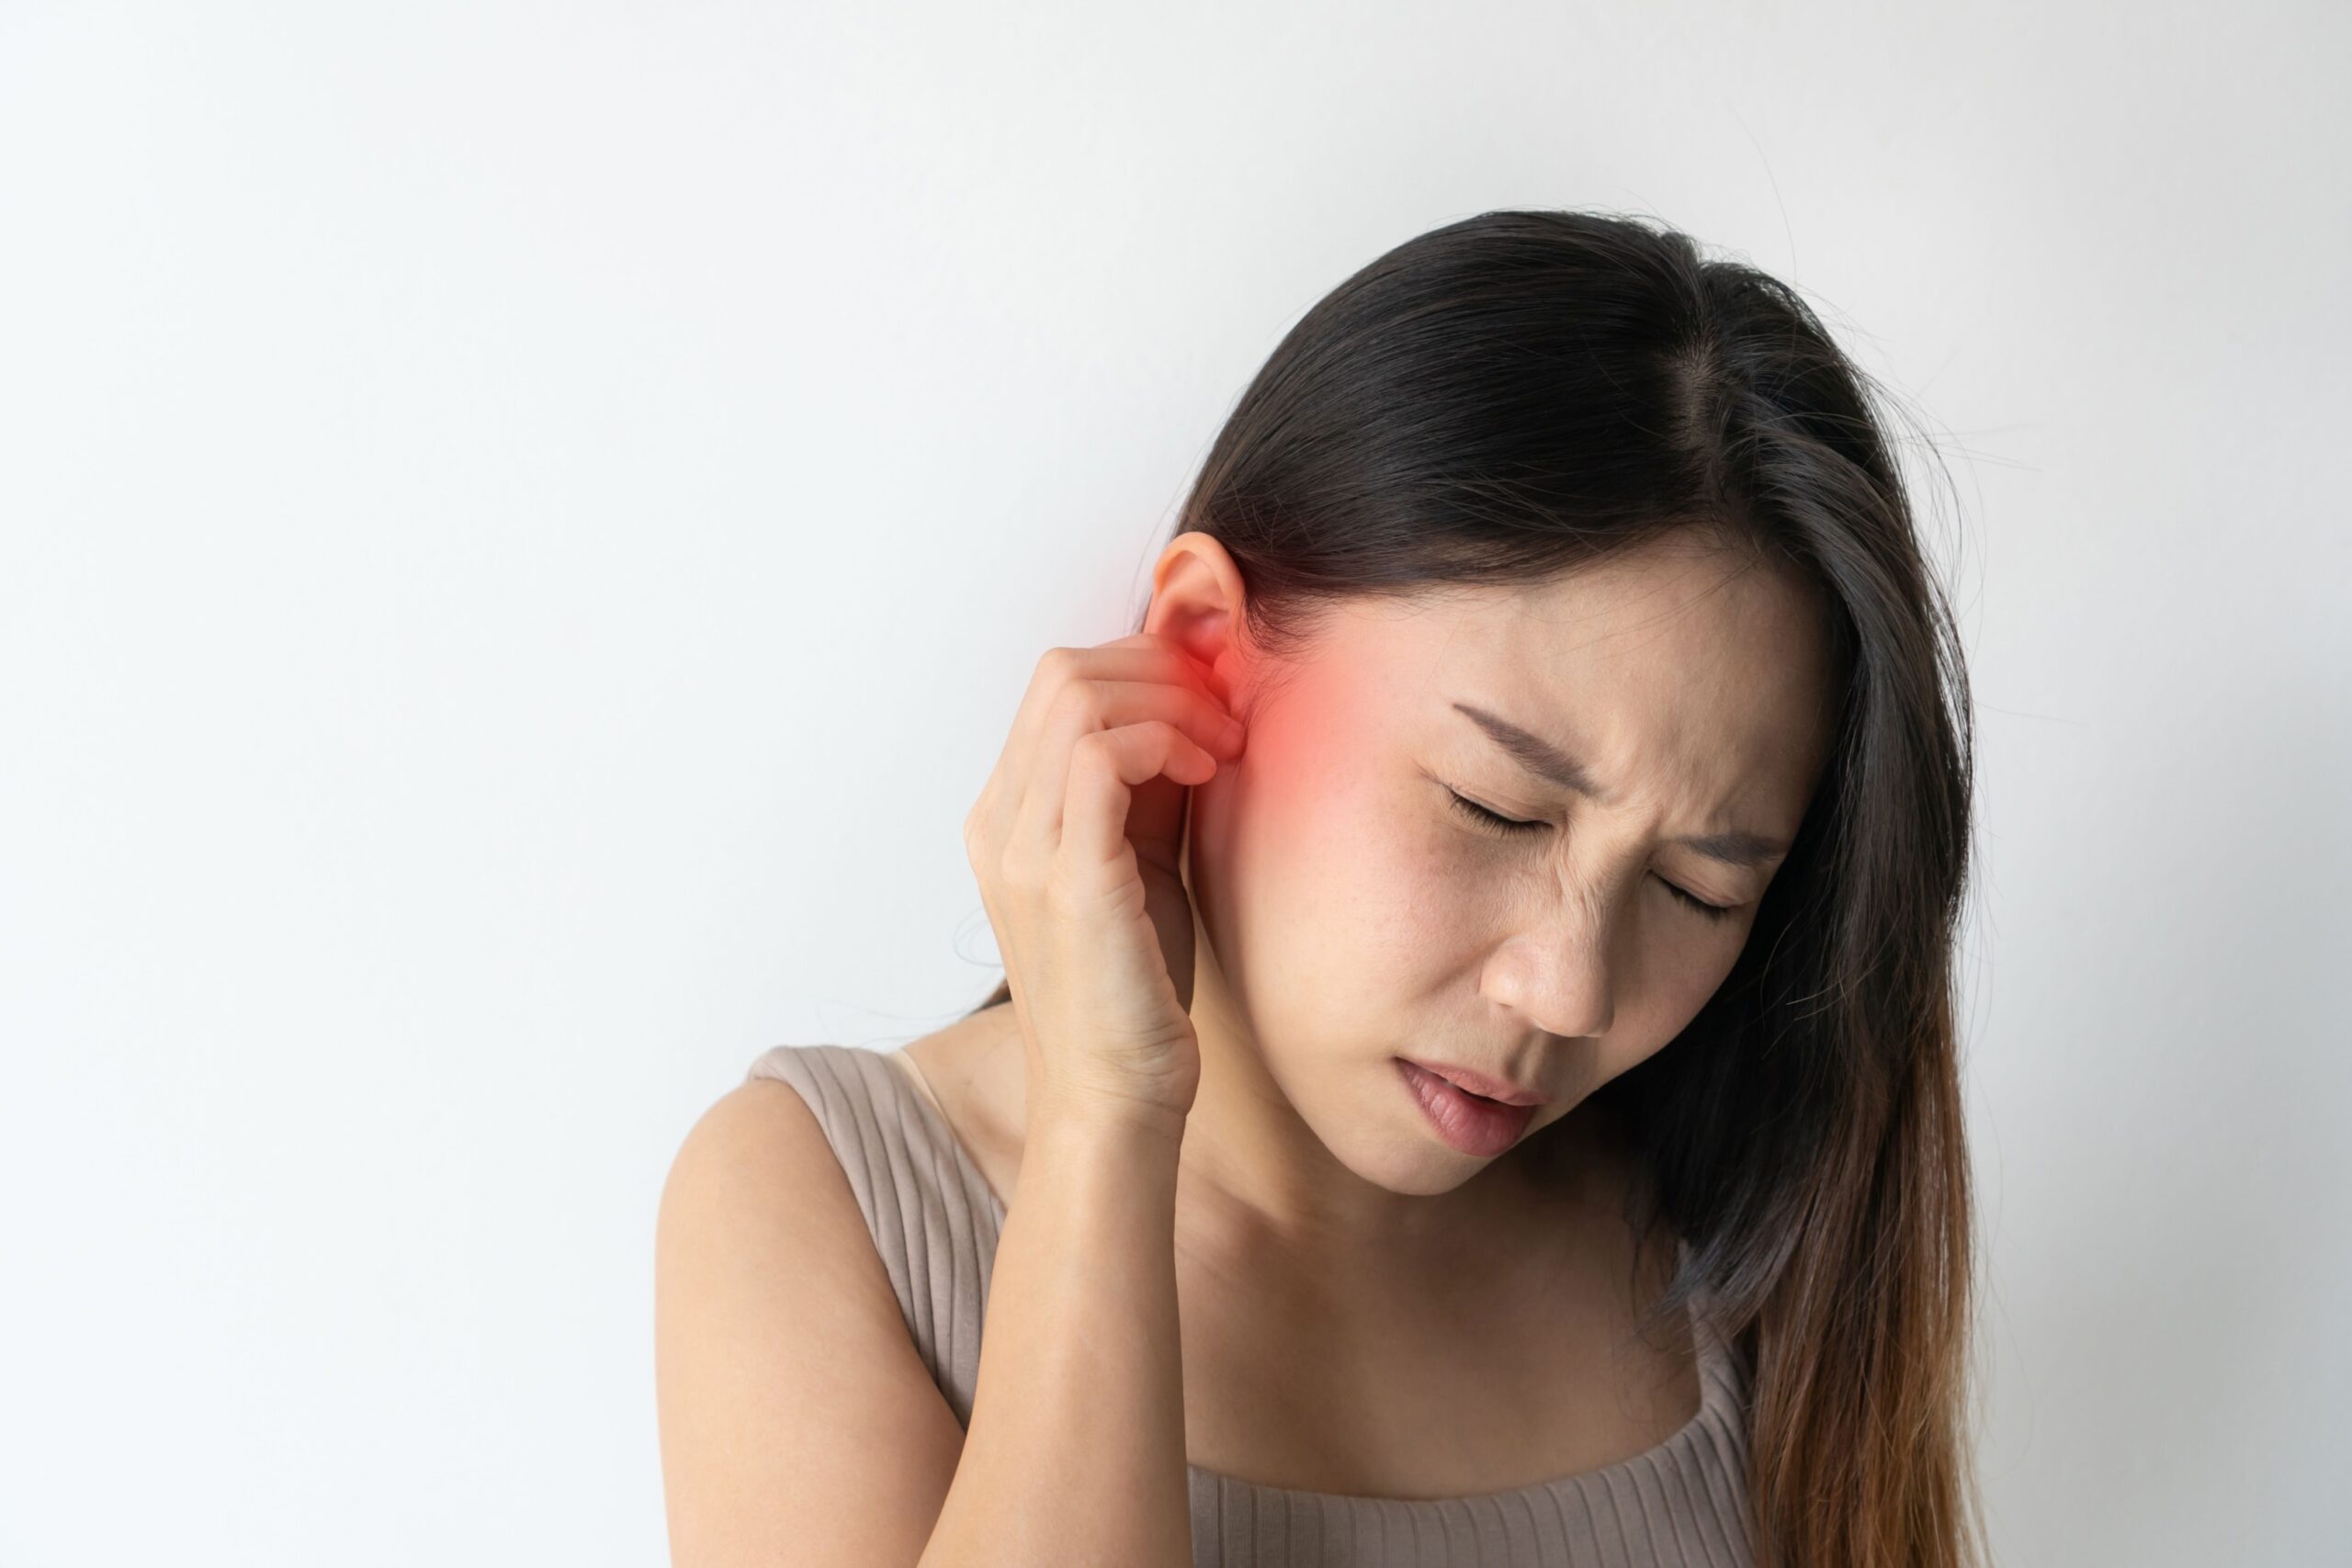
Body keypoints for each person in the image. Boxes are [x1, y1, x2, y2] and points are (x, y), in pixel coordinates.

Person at [655, 209, 1989, 1568]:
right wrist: (1105, 1119)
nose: (1569, 990)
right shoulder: (823, 1204)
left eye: (1700, 891)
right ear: (1203, 653)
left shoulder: (1745, 1241)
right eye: (1496, 808)